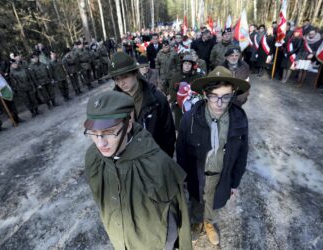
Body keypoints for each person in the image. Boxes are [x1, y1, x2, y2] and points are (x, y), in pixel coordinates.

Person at [84, 90, 192, 250]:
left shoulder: (158, 163)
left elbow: (174, 217)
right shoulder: (93, 157)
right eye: (94, 133)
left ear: (128, 126)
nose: (100, 144)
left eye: (109, 132)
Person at [176, 66, 249, 246]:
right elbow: (181, 150)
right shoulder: (190, 118)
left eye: (225, 97)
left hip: (221, 175)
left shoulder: (239, 118)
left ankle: (209, 223)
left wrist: (235, 181)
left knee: (215, 203)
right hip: (197, 175)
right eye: (213, 96)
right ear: (205, 94)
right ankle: (197, 222)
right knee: (196, 201)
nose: (219, 103)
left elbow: (242, 152)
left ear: (233, 94)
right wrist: (183, 176)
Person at [104, 52, 176, 157]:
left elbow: (168, 133)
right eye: (116, 79)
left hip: (155, 158)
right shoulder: (113, 103)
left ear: (135, 73)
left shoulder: (157, 99)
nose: (121, 83)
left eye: (125, 76)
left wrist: (163, 160)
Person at [169, 55, 203, 130]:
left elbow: (200, 90)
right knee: (180, 126)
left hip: (193, 106)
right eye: (185, 64)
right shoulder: (176, 76)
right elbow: (171, 90)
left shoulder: (197, 77)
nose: (187, 66)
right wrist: (177, 99)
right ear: (182, 65)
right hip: (179, 106)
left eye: (189, 64)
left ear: (192, 65)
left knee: (193, 126)